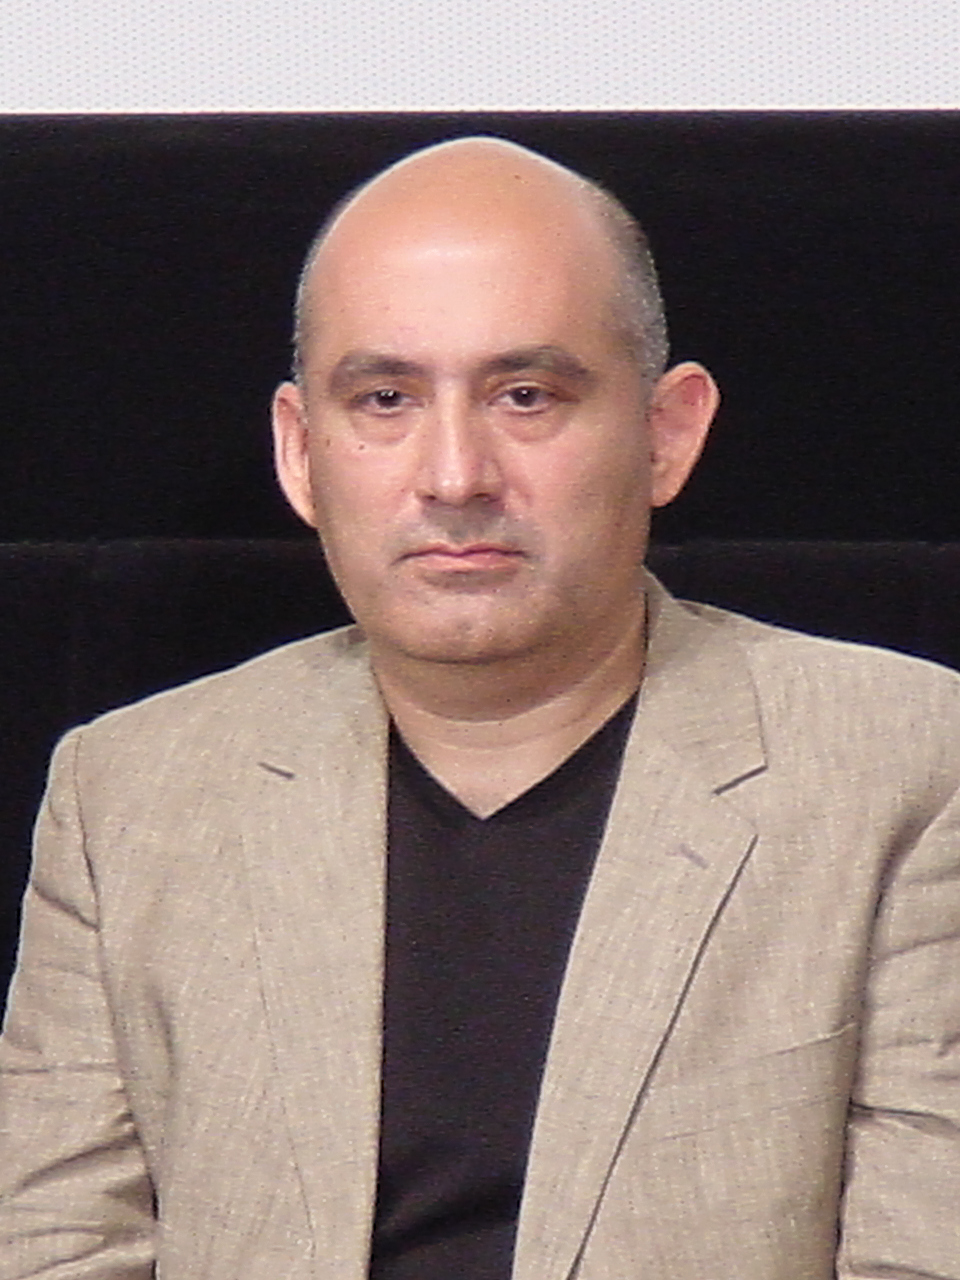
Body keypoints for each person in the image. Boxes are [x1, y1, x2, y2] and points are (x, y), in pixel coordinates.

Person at [0, 136, 958, 1280]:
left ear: (667, 431)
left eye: (525, 395)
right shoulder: (129, 793)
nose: (455, 475)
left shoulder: (904, 765)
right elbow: (54, 1246)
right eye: (386, 398)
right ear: (301, 452)